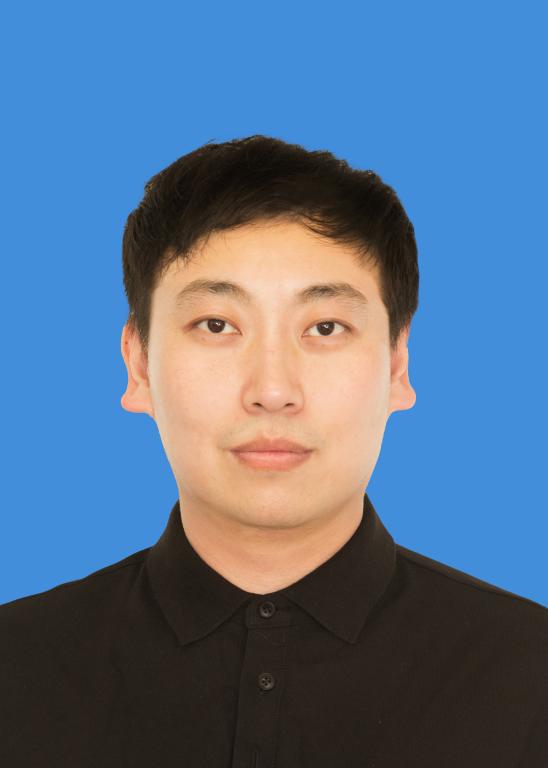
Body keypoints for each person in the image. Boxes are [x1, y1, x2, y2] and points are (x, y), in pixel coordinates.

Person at [1, 136, 546, 767]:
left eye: (325, 327)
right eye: (216, 325)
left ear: (397, 365)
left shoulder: (530, 674)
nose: (273, 391)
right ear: (139, 364)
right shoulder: (16, 668)